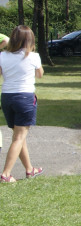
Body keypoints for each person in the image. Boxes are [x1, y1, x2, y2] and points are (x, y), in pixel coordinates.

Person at [0, 25, 43, 183]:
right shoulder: (33, 56)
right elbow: (40, 74)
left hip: (6, 97)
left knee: (18, 135)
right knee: (19, 137)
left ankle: (29, 169)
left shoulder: (3, 56)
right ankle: (5, 174)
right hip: (24, 97)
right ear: (30, 40)